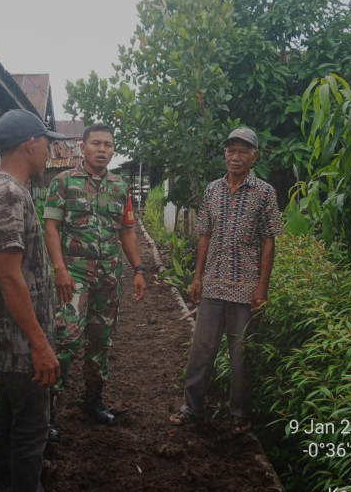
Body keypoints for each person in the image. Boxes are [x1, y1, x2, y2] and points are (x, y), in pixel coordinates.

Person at [0, 109, 77, 492]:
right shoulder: (8, 196)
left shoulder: (10, 191)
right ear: (27, 146)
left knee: (9, 415)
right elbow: (10, 278)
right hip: (20, 343)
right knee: (31, 429)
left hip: (7, 339)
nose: (50, 150)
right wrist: (41, 344)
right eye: (45, 142)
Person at [169, 126, 283, 433]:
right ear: (224, 154)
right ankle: (191, 408)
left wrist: (262, 287)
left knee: (241, 356)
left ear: (254, 156)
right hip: (213, 285)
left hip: (246, 288)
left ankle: (239, 414)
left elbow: (269, 241)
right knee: (201, 350)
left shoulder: (265, 193)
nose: (236, 157)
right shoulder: (212, 191)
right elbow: (204, 235)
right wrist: (196, 278)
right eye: (231, 151)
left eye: (243, 151)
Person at [43, 123, 147, 442]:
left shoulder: (119, 187)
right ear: (83, 147)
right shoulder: (64, 182)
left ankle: (93, 402)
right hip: (73, 275)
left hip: (108, 276)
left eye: (109, 144)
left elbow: (127, 230)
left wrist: (139, 269)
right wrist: (59, 268)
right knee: (68, 338)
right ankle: (46, 412)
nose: (103, 150)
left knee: (101, 341)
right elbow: (51, 226)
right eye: (96, 143)